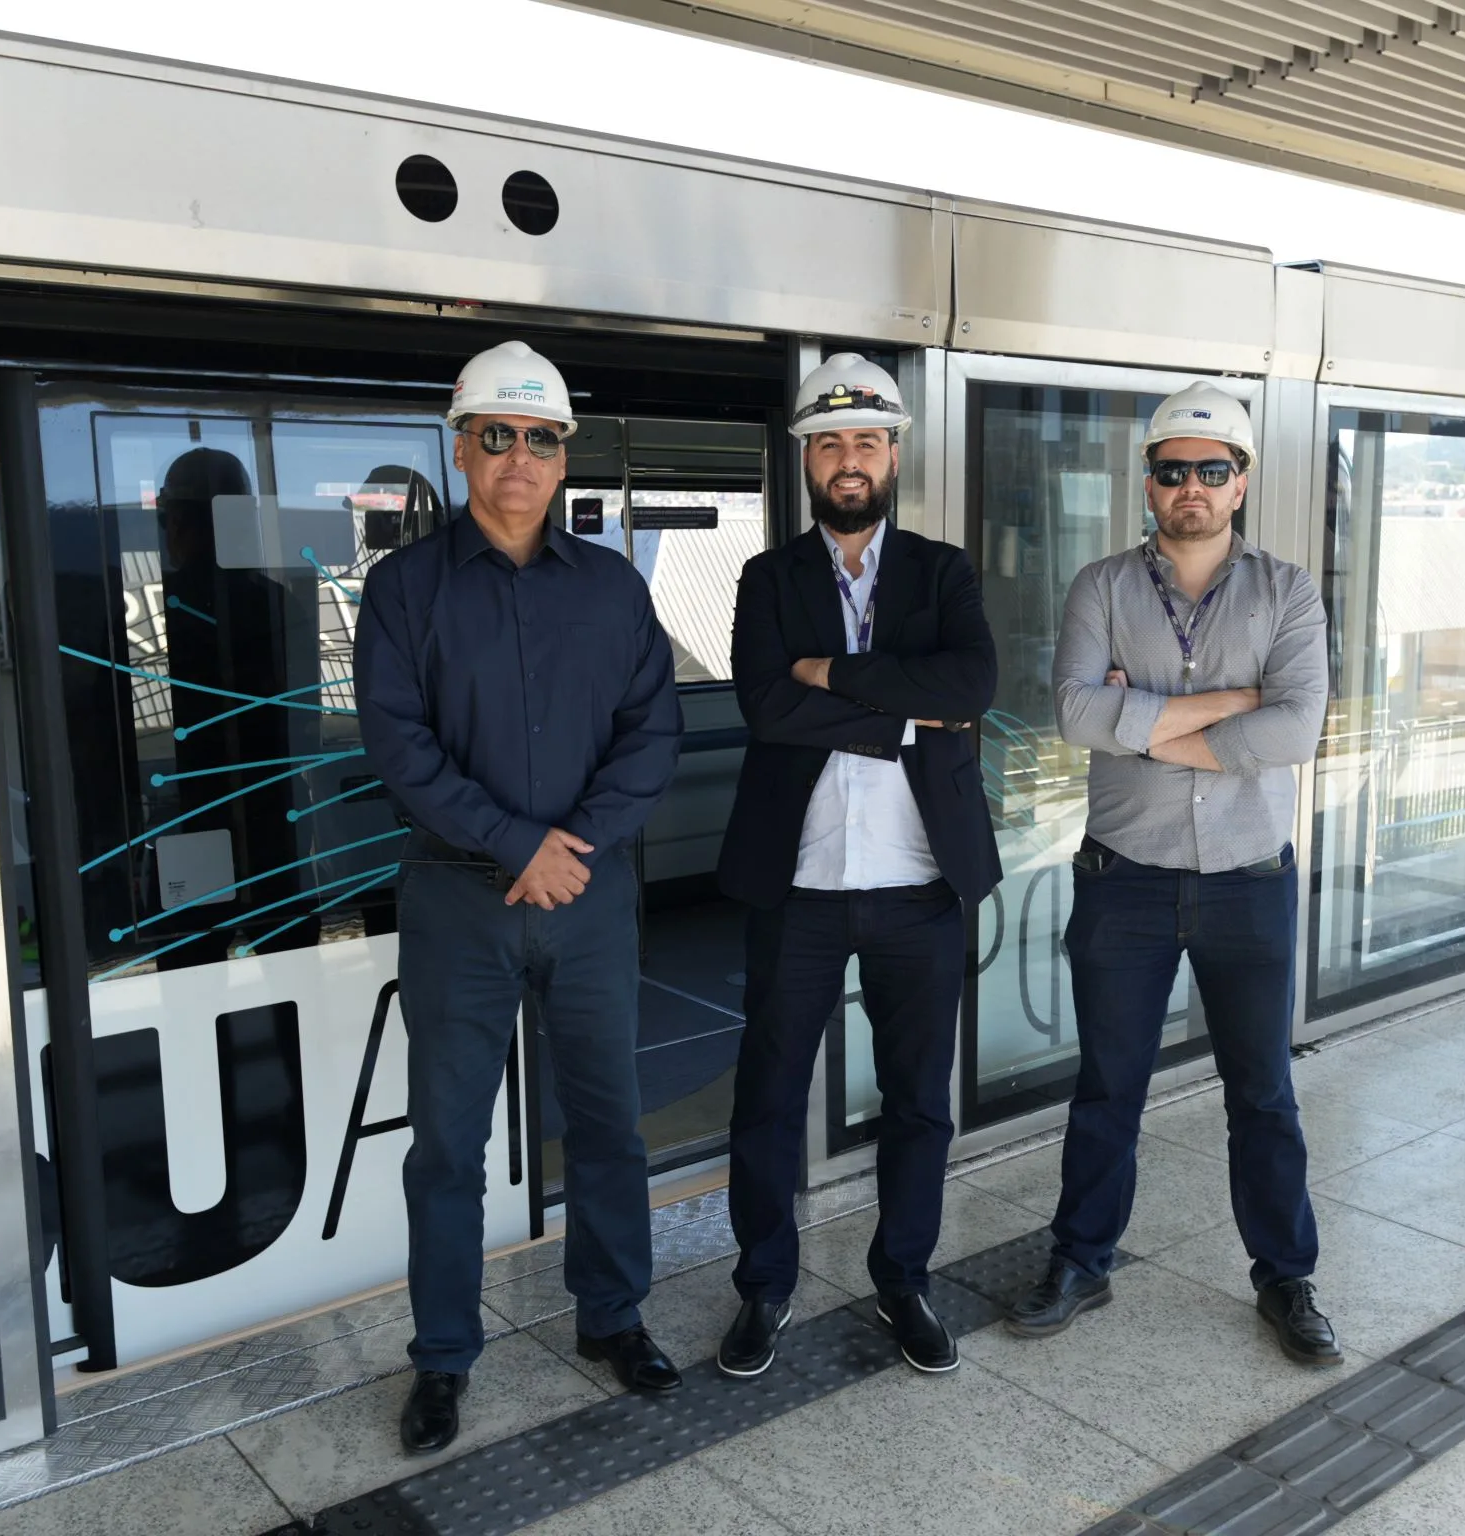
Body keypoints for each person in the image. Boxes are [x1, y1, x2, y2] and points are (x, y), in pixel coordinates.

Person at [354, 339, 685, 1455]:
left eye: (540, 439)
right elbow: (399, 748)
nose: (519, 458)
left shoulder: (612, 586)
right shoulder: (405, 589)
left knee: (608, 1123)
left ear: (562, 457)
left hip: (587, 895)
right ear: (460, 449)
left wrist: (569, 848)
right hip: (459, 902)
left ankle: (614, 1315)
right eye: (496, 435)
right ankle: (444, 1355)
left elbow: (652, 731)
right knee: (447, 1144)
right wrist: (515, 845)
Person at [1005, 381, 1341, 1367]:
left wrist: (1145, 724)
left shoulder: (1289, 592)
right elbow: (1075, 715)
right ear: (1147, 482)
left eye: (1212, 469)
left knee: (1263, 1093)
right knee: (1107, 1088)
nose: (1191, 485)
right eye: (1172, 470)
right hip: (1127, 881)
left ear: (1241, 482)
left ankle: (1286, 1278)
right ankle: (1081, 1262)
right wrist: (1236, 704)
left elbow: (1298, 728)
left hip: (1250, 880)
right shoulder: (1100, 587)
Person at [715, 354, 1000, 1379]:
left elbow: (970, 685)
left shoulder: (943, 571)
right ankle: (764, 1286)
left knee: (920, 1100)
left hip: (920, 885)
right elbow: (766, 706)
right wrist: (902, 714)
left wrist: (830, 674)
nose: (848, 459)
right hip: (797, 887)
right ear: (807, 458)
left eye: (866, 441)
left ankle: (903, 1279)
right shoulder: (767, 577)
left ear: (893, 455)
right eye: (829, 442)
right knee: (767, 1098)